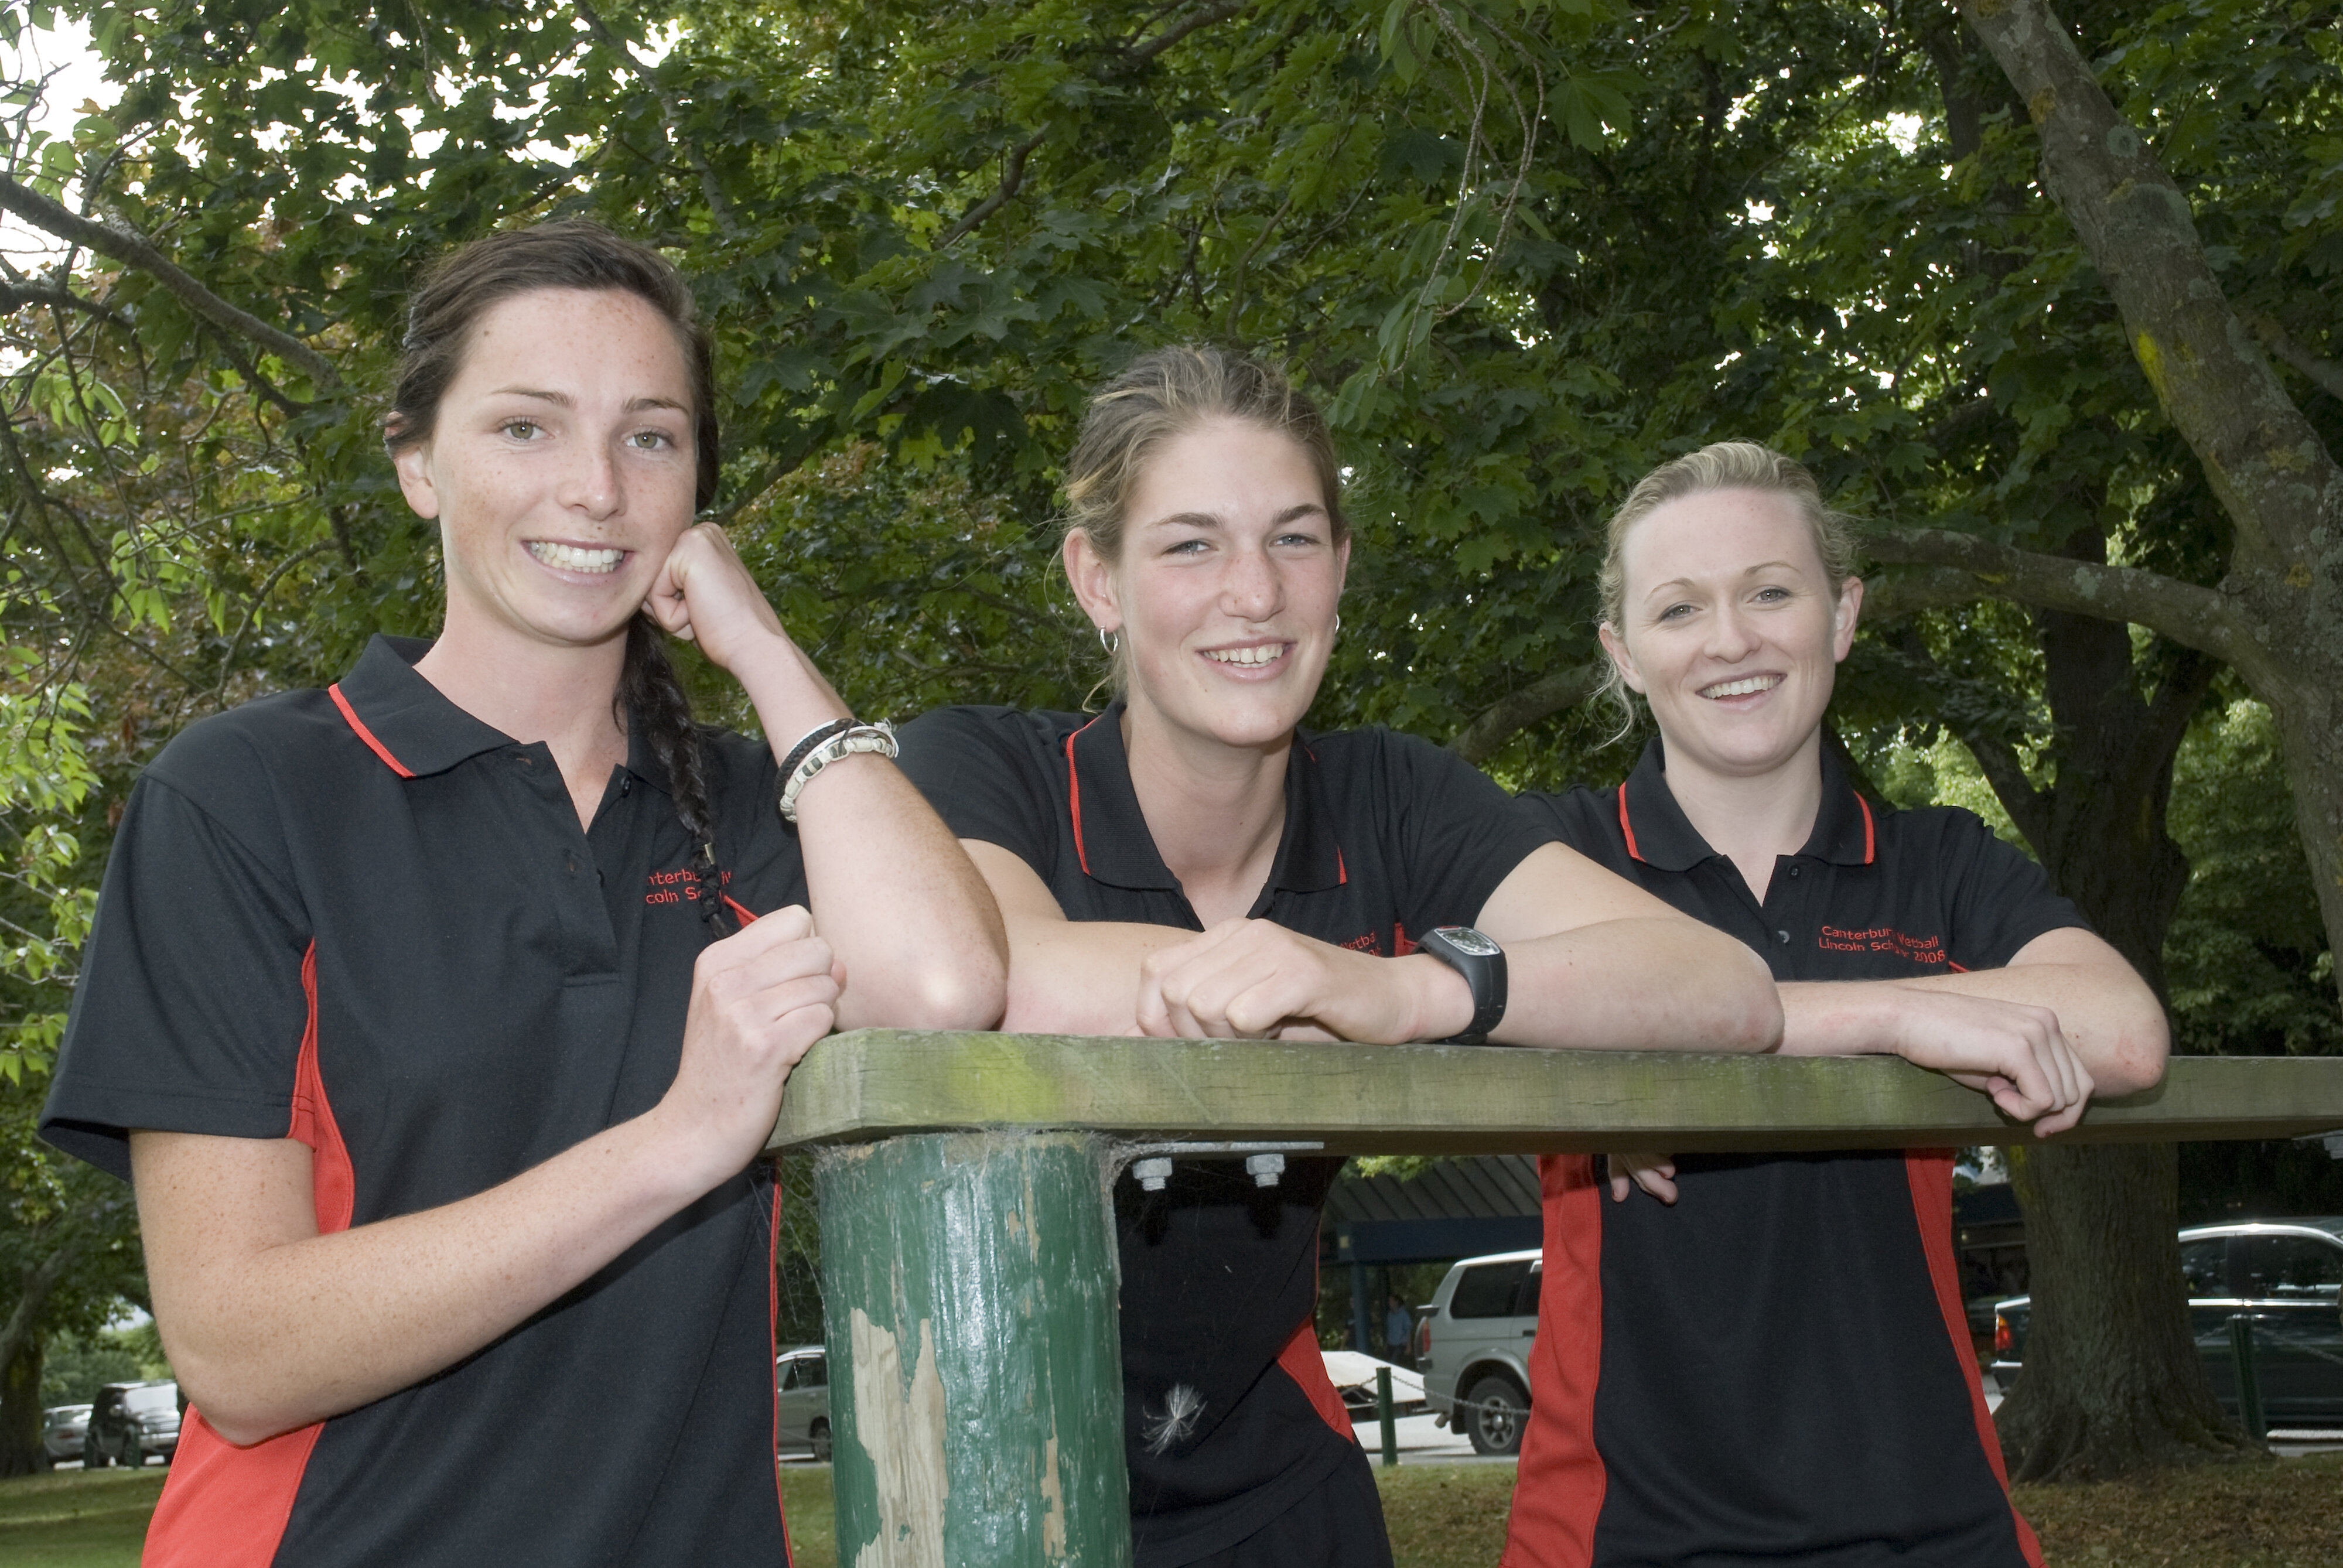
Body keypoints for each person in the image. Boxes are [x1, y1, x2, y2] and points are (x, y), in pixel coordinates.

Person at [38, 221, 1006, 1567]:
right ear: (417, 461)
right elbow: (235, 1348)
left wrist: (762, 649)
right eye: (525, 429)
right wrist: (682, 1136)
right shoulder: (246, 795)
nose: (597, 490)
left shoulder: (748, 806)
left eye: (650, 438)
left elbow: (947, 990)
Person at [894, 346, 1782, 1568]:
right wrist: (1313, 989)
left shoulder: (1392, 795)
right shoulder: (977, 767)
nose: (1253, 593)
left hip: (1274, 1495)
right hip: (1002, 1487)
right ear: (1095, 577)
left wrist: (1406, 987)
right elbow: (995, 976)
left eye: (1294, 539)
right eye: (1190, 544)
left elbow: (1720, 988)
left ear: (1342, 568)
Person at [1501, 442, 2170, 1568]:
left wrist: (1680, 1037)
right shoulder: (1553, 853)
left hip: (1937, 1527)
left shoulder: (1939, 862)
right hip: (1622, 1533)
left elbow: (2126, 1032)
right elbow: (1453, 1006)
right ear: (1622, 652)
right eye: (1679, 608)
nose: (1732, 639)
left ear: (1844, 613)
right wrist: (1899, 1018)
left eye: (1771, 591)